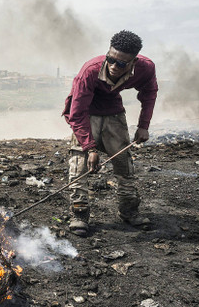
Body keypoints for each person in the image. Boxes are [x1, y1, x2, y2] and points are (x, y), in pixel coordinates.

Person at [62, 30, 158, 237]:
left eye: (122, 64)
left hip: (113, 112)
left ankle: (129, 211)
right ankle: (79, 215)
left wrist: (144, 126)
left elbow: (149, 93)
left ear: (134, 62)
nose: (114, 67)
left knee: (124, 164)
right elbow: (76, 114)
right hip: (85, 114)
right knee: (79, 165)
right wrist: (90, 148)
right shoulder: (89, 71)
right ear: (107, 54)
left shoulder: (146, 68)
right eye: (111, 60)